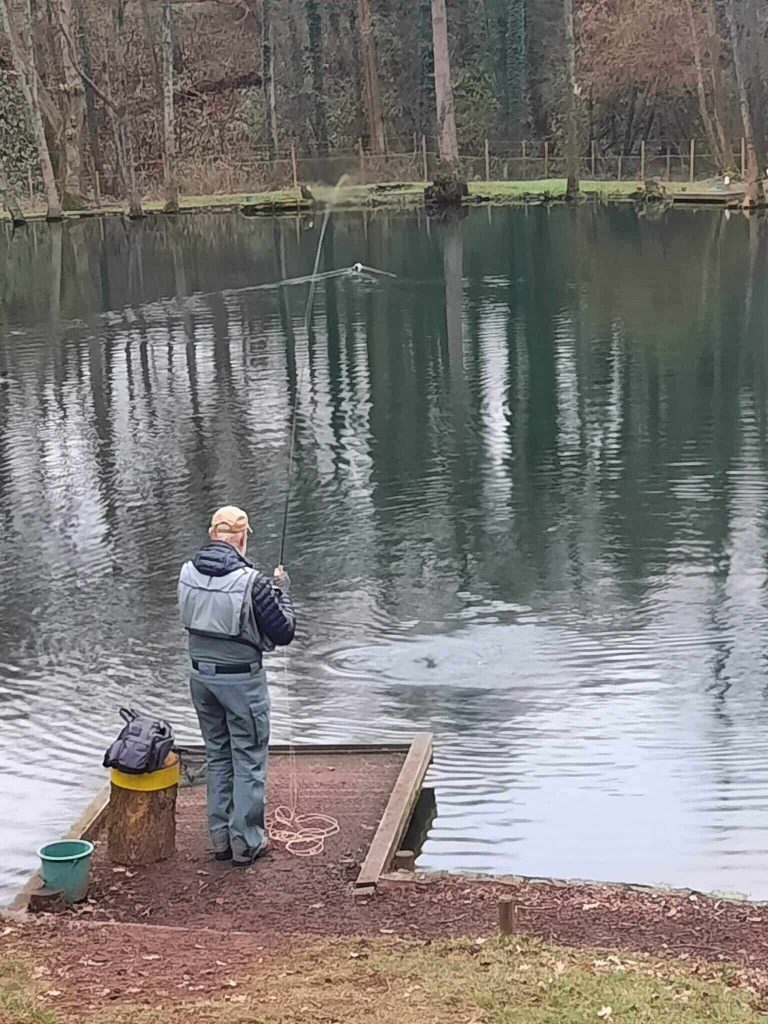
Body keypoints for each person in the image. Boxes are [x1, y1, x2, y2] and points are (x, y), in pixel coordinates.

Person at [178, 505, 295, 866]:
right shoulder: (253, 582)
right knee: (247, 758)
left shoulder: (186, 573)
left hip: (201, 679)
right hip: (241, 682)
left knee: (217, 756)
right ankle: (246, 844)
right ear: (242, 538)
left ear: (213, 534)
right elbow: (284, 631)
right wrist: (282, 590)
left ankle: (220, 841)